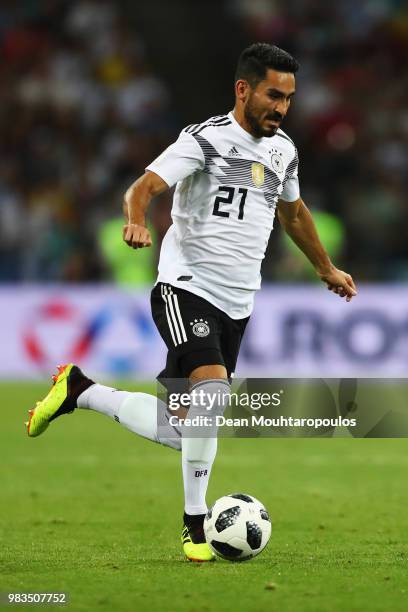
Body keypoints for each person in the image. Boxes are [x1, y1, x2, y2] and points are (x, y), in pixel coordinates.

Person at [26, 43, 357, 562]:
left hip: (238, 304)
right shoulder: (203, 141)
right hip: (186, 287)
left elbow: (293, 214)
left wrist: (325, 268)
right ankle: (194, 524)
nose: (282, 108)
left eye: (289, 98)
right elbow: (145, 186)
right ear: (243, 90)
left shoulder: (283, 151)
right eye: (274, 95)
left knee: (187, 431)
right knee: (212, 389)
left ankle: (81, 391)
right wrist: (135, 219)